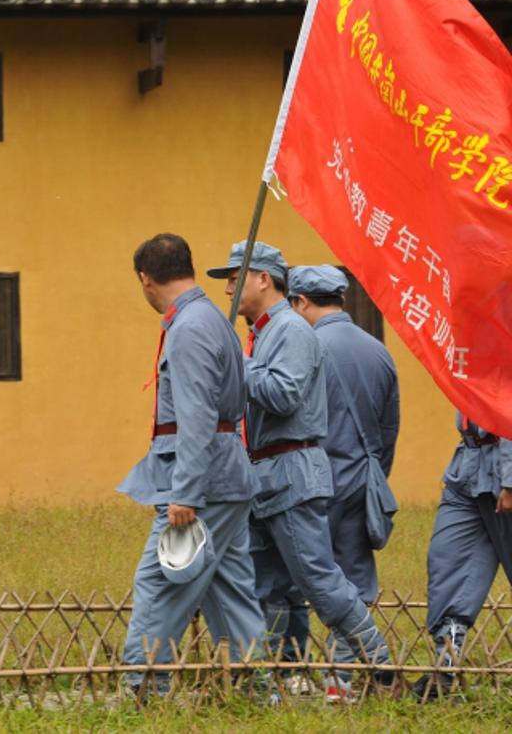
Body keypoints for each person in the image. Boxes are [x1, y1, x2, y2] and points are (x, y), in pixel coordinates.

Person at [207, 241, 394, 703]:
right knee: (262, 583)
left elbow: (284, 394)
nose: (229, 287)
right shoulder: (264, 331)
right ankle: (265, 685)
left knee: (317, 578)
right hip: (263, 475)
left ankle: (381, 665)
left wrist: (236, 366)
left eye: (235, 276)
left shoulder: (289, 330)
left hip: (290, 470)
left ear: (263, 279)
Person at [117, 234, 265, 697]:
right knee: (229, 584)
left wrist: (186, 492)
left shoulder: (190, 328)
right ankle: (251, 683)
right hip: (227, 475)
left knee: (161, 580)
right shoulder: (211, 319)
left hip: (205, 482)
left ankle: (143, 685)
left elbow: (197, 416)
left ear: (145, 279)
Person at [280, 265, 400, 686]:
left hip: (311, 478)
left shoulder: (305, 347)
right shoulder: (378, 350)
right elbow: (388, 428)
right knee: (354, 580)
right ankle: (343, 680)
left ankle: (290, 673)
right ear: (342, 299)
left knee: (301, 577)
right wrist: (373, 475)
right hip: (362, 480)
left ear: (301, 302)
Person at [413, 416, 512, 701]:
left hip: (504, 468)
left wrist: (510, 480)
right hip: (468, 468)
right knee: (447, 559)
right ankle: (446, 664)